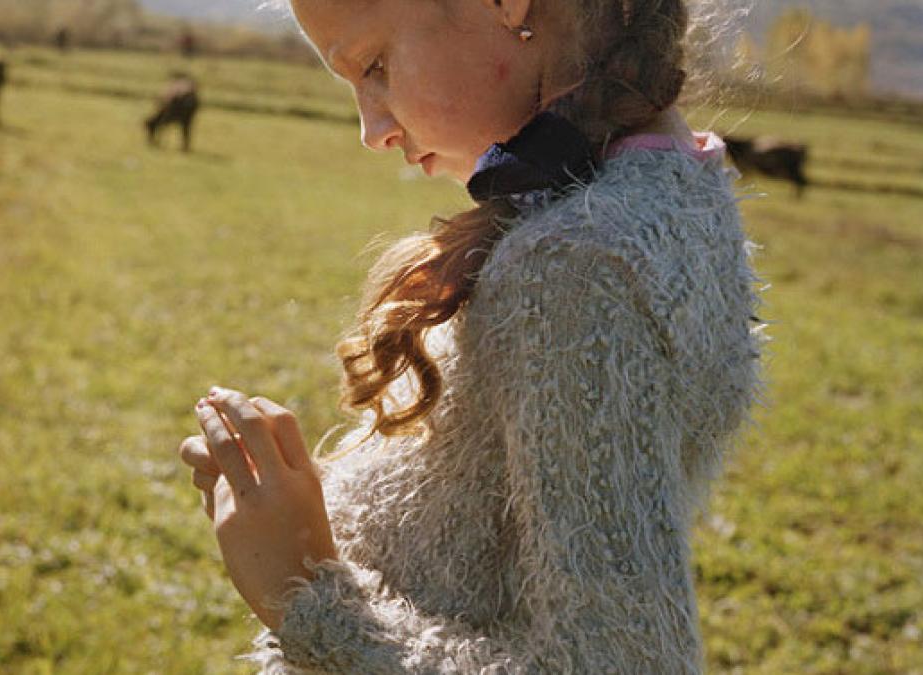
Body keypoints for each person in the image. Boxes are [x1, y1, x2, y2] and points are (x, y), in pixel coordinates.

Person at [177, 0, 765, 672]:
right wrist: (294, 508)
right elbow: (498, 535)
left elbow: (624, 660)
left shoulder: (574, 268)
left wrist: (306, 593)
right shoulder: (663, 188)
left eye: (374, 65)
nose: (370, 130)